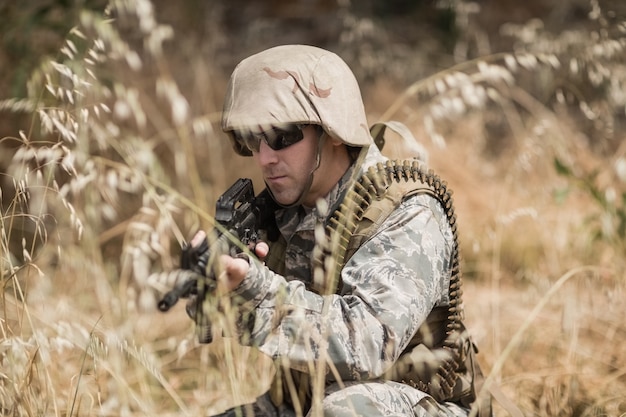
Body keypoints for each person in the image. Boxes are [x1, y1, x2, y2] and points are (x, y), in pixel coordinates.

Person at [187, 44, 491, 417]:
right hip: (305, 404)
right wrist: (223, 294)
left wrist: (257, 290)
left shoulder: (406, 211)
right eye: (253, 139)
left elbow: (368, 343)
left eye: (282, 135)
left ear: (331, 130)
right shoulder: (281, 213)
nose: (265, 157)